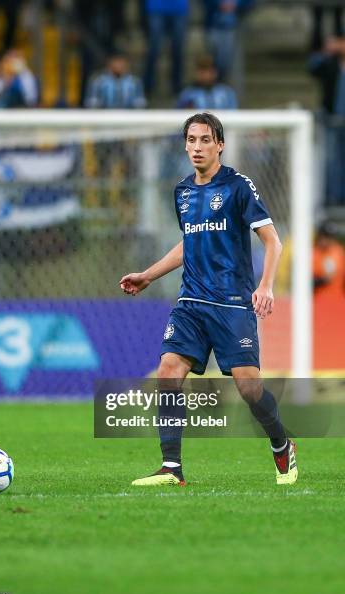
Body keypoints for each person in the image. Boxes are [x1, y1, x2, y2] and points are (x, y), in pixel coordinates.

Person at [120, 112, 297, 487]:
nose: (197, 147)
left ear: (219, 144)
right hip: (191, 302)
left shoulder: (238, 186)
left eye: (205, 140)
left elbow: (272, 240)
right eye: (191, 140)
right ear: (185, 144)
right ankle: (172, 468)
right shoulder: (182, 191)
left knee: (249, 388)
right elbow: (190, 242)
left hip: (232, 304)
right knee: (169, 370)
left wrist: (265, 286)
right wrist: (148, 275)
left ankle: (282, 443)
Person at [309, 35, 345, 206]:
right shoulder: (330, 63)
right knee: (331, 160)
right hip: (332, 119)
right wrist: (326, 51)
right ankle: (333, 198)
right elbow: (313, 69)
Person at [143, 0, 189, 96]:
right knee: (154, 49)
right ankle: (148, 85)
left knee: (178, 50)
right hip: (156, 7)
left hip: (179, 8)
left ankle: (177, 85)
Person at [201, 0, 255, 82]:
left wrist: (236, 4)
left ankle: (220, 85)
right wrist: (219, 4)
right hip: (212, 25)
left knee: (225, 63)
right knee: (212, 60)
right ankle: (213, 85)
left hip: (232, 28)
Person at [313, 221, 345, 298]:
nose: (328, 240)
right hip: (317, 300)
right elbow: (305, 281)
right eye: (325, 236)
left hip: (338, 299)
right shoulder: (313, 253)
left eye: (331, 237)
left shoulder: (339, 252)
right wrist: (322, 280)